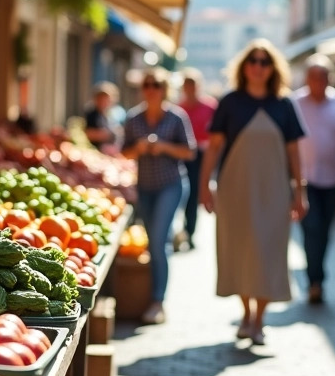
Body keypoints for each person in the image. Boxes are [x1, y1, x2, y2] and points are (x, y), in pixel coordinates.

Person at [199, 40, 307, 345]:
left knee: (269, 253)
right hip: (235, 190)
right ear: (244, 66)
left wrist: (301, 191)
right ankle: (246, 312)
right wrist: (204, 185)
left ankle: (259, 319)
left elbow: (295, 152)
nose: (258, 67)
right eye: (253, 61)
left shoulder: (284, 104)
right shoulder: (230, 102)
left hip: (275, 191)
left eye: (264, 62)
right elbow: (214, 147)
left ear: (273, 68)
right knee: (240, 251)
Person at [121, 67, 196, 325]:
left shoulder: (176, 118)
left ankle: (157, 301)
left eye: (157, 85)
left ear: (165, 90)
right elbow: (125, 153)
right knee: (152, 240)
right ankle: (149, 294)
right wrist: (139, 148)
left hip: (171, 185)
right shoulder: (134, 118)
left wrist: (163, 146)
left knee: (158, 241)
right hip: (145, 187)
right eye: (148, 85)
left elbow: (190, 152)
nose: (152, 90)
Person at [292, 55, 335, 304]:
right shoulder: (295, 102)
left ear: (330, 79)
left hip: (332, 179)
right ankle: (315, 280)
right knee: (311, 228)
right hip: (303, 179)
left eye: (323, 77)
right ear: (306, 79)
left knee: (324, 230)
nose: (318, 81)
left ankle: (317, 275)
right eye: (314, 76)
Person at [176, 69, 219, 251]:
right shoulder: (179, 108)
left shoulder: (210, 106)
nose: (190, 89)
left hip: (202, 155)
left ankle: (190, 231)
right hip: (182, 154)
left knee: (194, 193)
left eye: (192, 85)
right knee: (181, 193)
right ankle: (179, 232)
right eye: (187, 85)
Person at [84, 83, 120, 152]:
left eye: (105, 98)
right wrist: (108, 134)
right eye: (100, 98)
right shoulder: (91, 115)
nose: (103, 101)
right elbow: (89, 134)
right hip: (95, 152)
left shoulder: (113, 114)